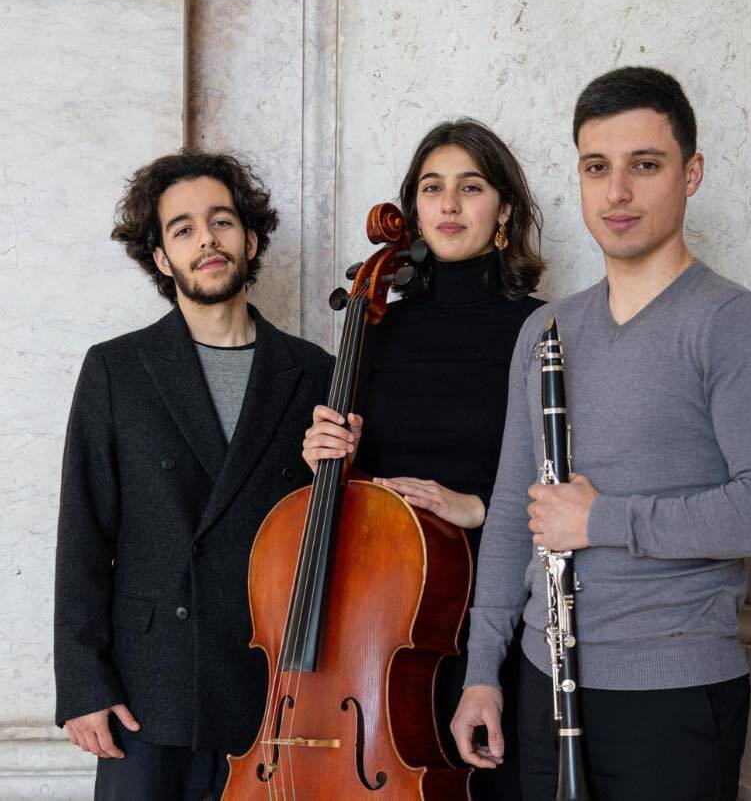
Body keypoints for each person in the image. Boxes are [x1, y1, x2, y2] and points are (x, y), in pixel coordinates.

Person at [451, 67, 751, 800]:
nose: (616, 192)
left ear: (691, 174)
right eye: (597, 167)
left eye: (644, 165)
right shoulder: (545, 330)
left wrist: (603, 520)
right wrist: (482, 671)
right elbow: (515, 512)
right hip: (541, 681)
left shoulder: (736, 325)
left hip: (671, 696)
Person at [53, 151, 333, 800]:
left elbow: (332, 544)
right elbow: (83, 534)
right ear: (161, 257)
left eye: (221, 221)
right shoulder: (117, 369)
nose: (206, 239)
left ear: (250, 239)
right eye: (183, 229)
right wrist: (84, 685)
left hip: (271, 686)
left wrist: (337, 472)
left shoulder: (314, 371)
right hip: (148, 690)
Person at [302, 118, 545, 799]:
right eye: (432, 188)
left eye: (471, 187)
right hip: (384, 625)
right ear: (412, 209)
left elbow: (575, 480)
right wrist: (328, 459)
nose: (449, 204)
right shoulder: (374, 326)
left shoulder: (542, 329)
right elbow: (357, 494)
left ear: (504, 210)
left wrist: (481, 509)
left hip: (499, 608)